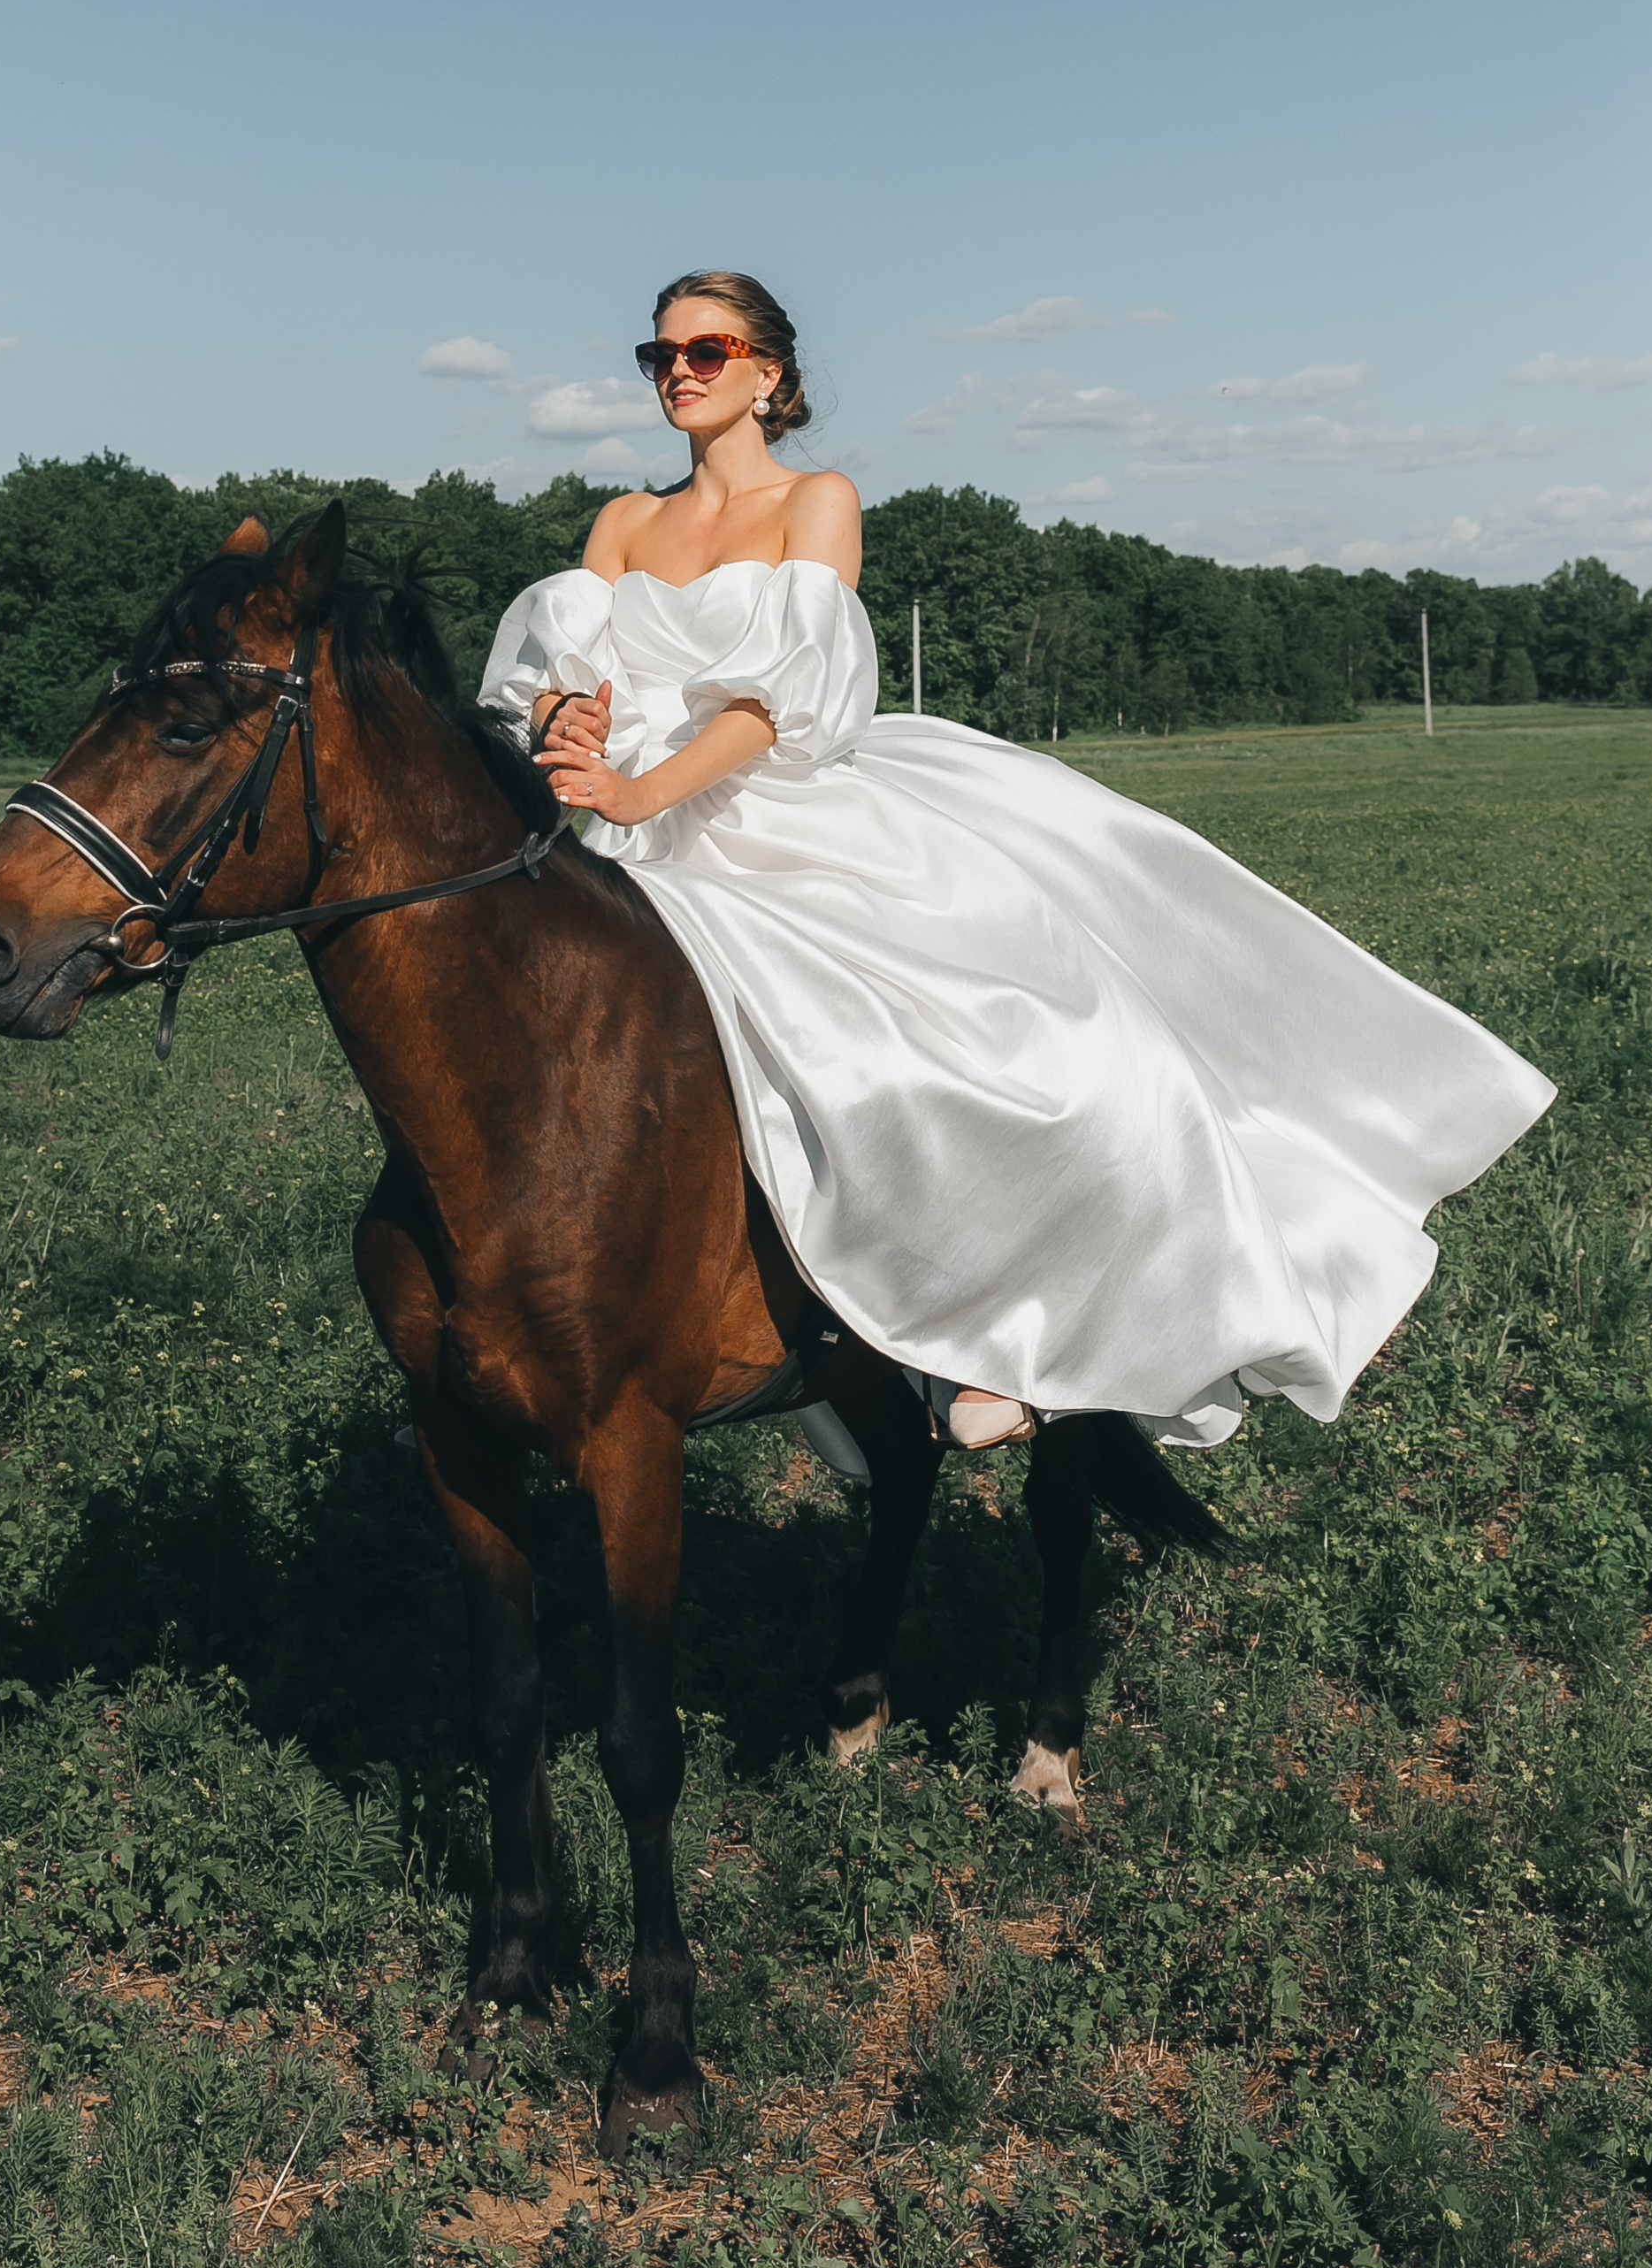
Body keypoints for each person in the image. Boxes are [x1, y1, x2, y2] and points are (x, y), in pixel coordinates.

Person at [480, 270, 1554, 1456]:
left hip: (784, 819)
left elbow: (774, 707)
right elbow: (571, 687)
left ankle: (1026, 1333)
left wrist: (639, 785)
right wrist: (567, 731)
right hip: (644, 845)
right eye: (659, 354)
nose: (679, 371)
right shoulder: (625, 524)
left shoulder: (816, 502)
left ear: (769, 375)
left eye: (708, 349)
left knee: (1018, 1049)